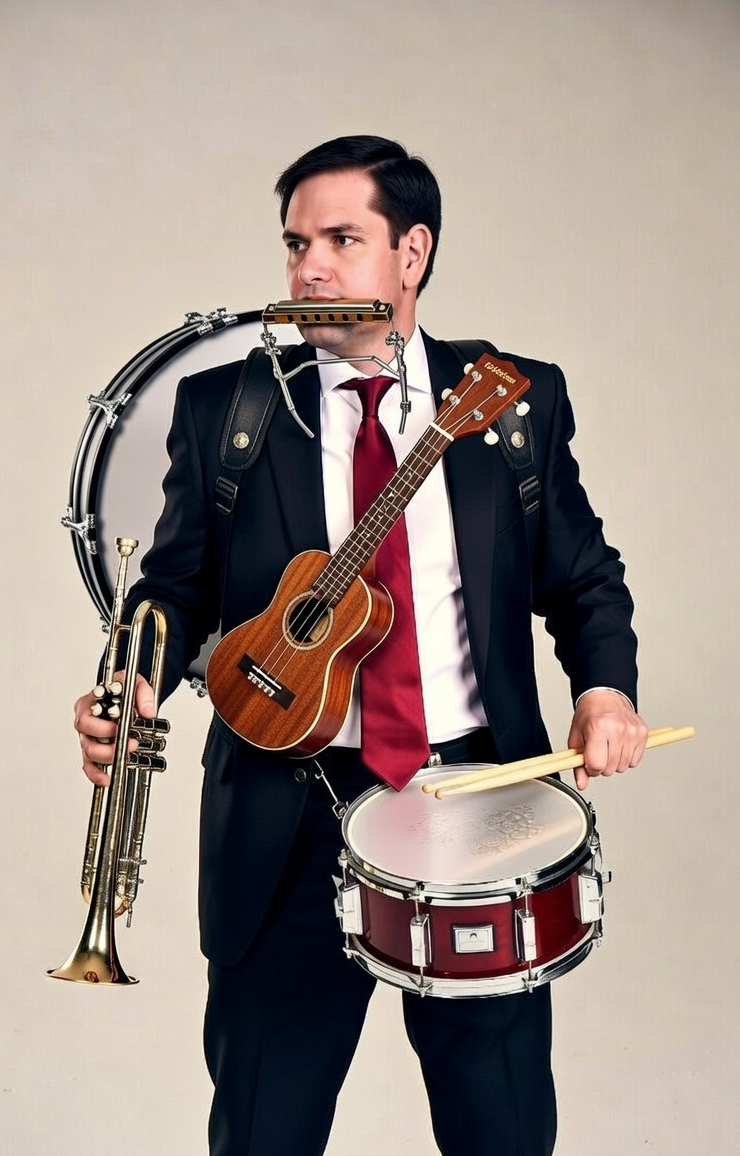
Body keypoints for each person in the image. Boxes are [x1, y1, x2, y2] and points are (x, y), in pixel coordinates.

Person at [74, 135, 648, 1156]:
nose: (310, 269)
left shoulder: (511, 404)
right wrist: (130, 683)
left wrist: (604, 689)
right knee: (263, 1132)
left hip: (482, 811)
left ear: (412, 252)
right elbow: (168, 590)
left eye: (343, 239)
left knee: (501, 1128)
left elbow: (582, 577)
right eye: (296, 244)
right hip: (283, 817)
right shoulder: (228, 412)